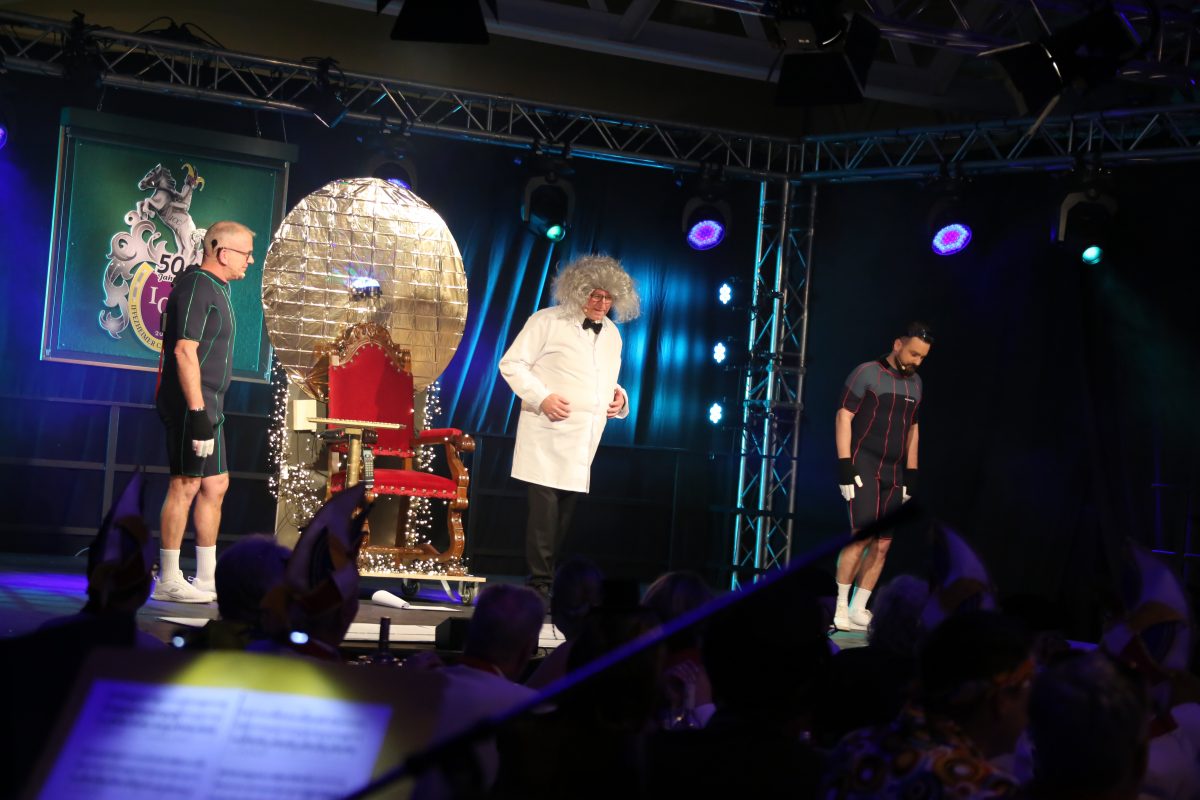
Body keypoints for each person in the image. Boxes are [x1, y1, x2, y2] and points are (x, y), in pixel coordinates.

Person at [498, 255, 640, 598]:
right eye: (595, 296)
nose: (602, 304)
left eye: (608, 298)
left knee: (563, 514)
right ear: (578, 291)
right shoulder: (547, 321)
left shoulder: (612, 334)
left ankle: (547, 581)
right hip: (546, 432)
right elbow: (512, 364)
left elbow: (603, 377)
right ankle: (539, 583)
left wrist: (620, 398)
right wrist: (543, 397)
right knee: (544, 513)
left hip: (582, 438)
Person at [152, 220, 255, 603]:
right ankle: (168, 579)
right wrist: (196, 412)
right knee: (186, 484)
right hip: (190, 402)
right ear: (223, 253)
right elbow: (184, 350)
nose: (250, 261)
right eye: (246, 254)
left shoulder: (218, 288)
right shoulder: (196, 285)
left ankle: (208, 579)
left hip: (211, 402)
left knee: (216, 484)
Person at [833, 321, 932, 631]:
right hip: (864, 464)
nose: (917, 361)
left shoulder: (916, 383)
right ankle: (839, 606)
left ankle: (858, 607)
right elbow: (844, 416)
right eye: (914, 354)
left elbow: (914, 430)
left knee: (883, 544)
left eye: (923, 357)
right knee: (861, 537)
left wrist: (911, 473)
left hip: (894, 471)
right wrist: (845, 465)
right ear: (897, 344)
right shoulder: (867, 373)